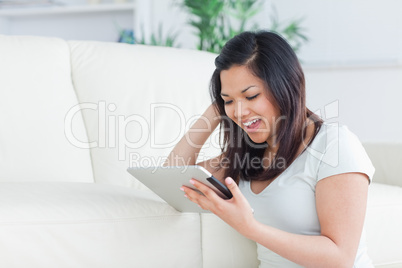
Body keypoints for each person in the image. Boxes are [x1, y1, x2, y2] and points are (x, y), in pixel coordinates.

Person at [164, 31, 375, 267]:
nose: (240, 112)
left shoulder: (333, 144)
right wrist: (217, 109)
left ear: (285, 87)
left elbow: (340, 258)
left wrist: (250, 228)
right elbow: (172, 179)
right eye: (229, 101)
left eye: (251, 95)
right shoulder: (248, 154)